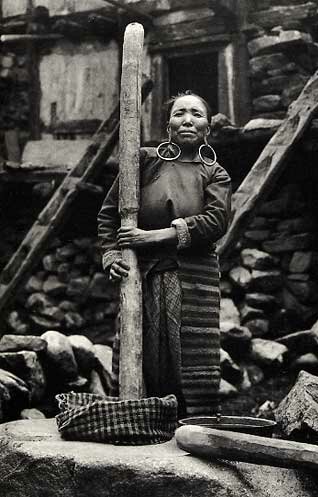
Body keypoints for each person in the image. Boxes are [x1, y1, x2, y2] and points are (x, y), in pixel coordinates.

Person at [97, 91, 231, 417]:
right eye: (180, 113)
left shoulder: (215, 174)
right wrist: (112, 255)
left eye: (196, 114)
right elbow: (109, 214)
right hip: (140, 275)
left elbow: (215, 221)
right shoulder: (142, 162)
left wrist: (154, 236)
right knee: (141, 353)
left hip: (190, 277)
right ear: (168, 124)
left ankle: (190, 429)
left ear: (208, 127)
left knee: (186, 359)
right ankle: (140, 423)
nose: (188, 120)